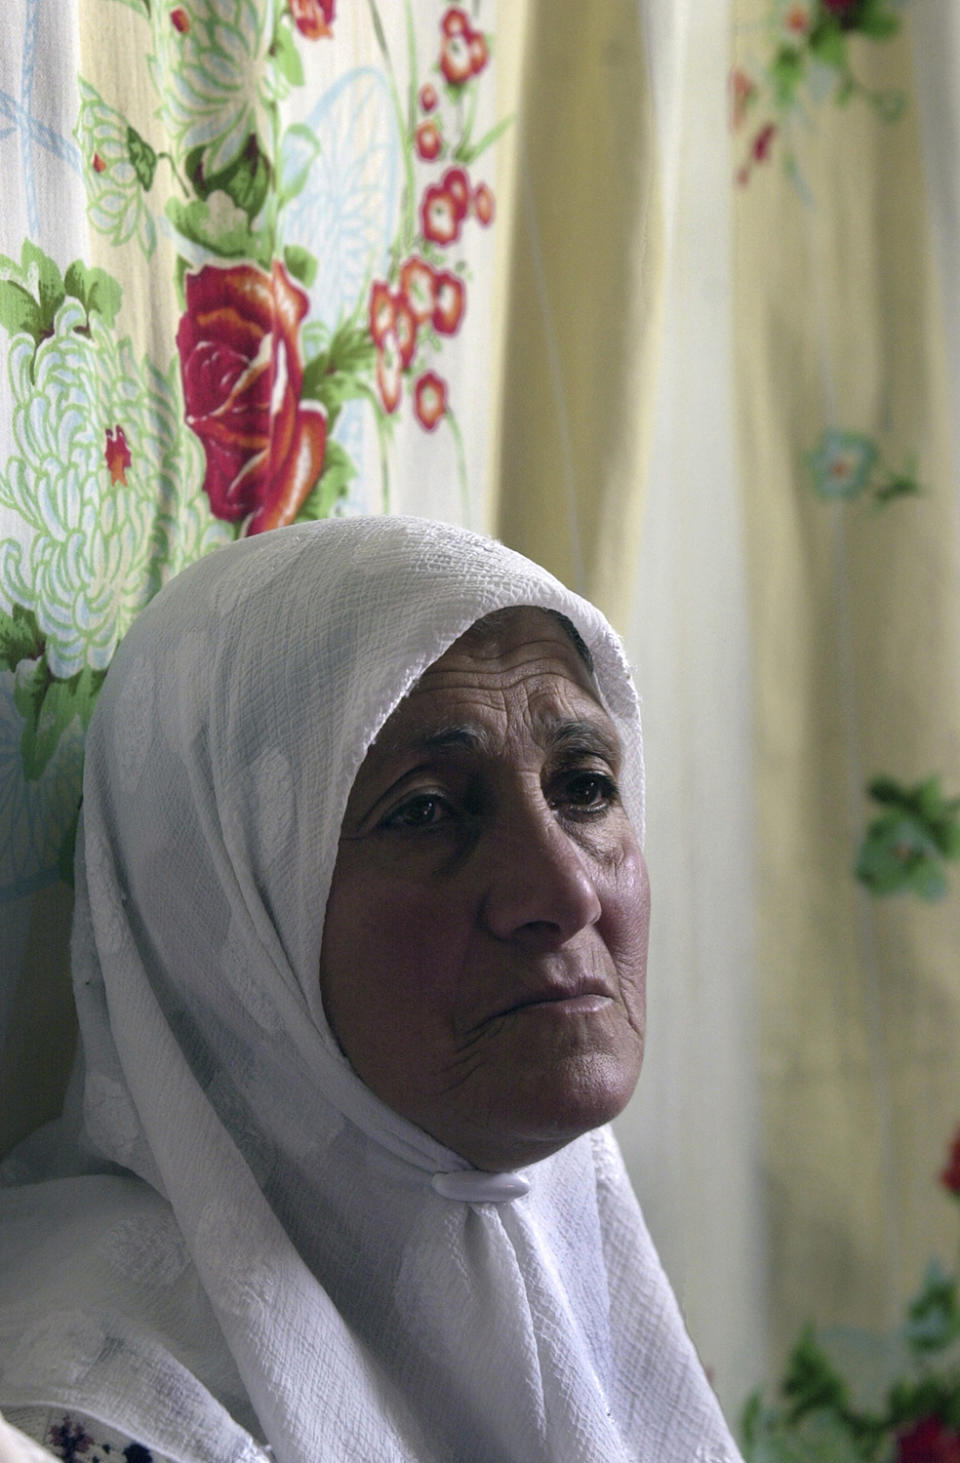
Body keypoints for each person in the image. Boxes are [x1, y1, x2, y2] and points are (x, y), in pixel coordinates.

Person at [0, 517, 742, 1463]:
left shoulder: (566, 1251)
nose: (564, 891)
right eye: (426, 809)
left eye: (586, 787)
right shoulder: (99, 1399)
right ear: (229, 915)